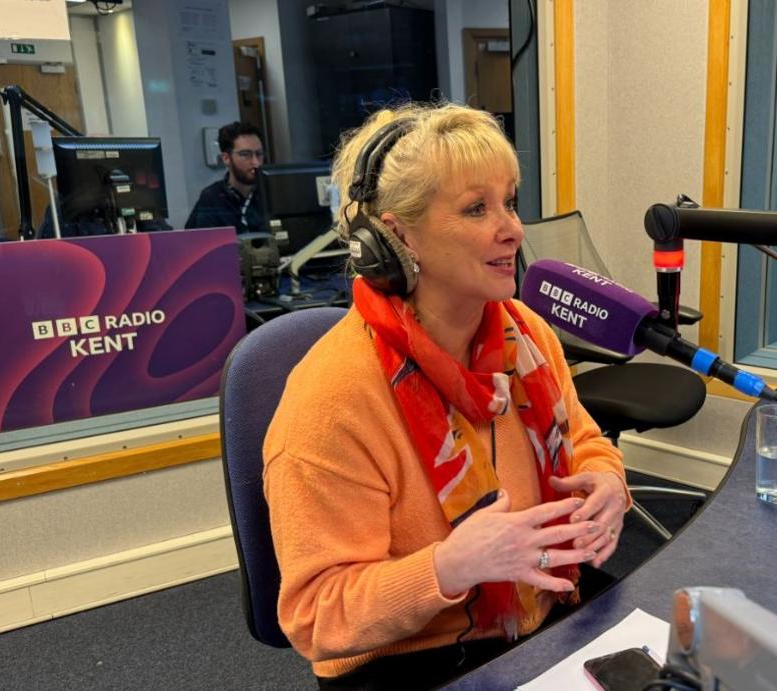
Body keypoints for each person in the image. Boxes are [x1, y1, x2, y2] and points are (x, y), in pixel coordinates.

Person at [262, 102, 630, 690]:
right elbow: (316, 616)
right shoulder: (332, 397)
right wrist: (449, 566)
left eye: (509, 201)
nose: (512, 228)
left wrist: (608, 482)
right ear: (395, 236)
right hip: (408, 655)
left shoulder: (526, 334)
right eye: (476, 208)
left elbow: (586, 442)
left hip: (545, 609)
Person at [185, 121, 266, 233]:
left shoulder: (274, 194)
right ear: (226, 158)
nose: (255, 162)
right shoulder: (212, 198)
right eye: (245, 154)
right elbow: (196, 245)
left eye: (259, 154)